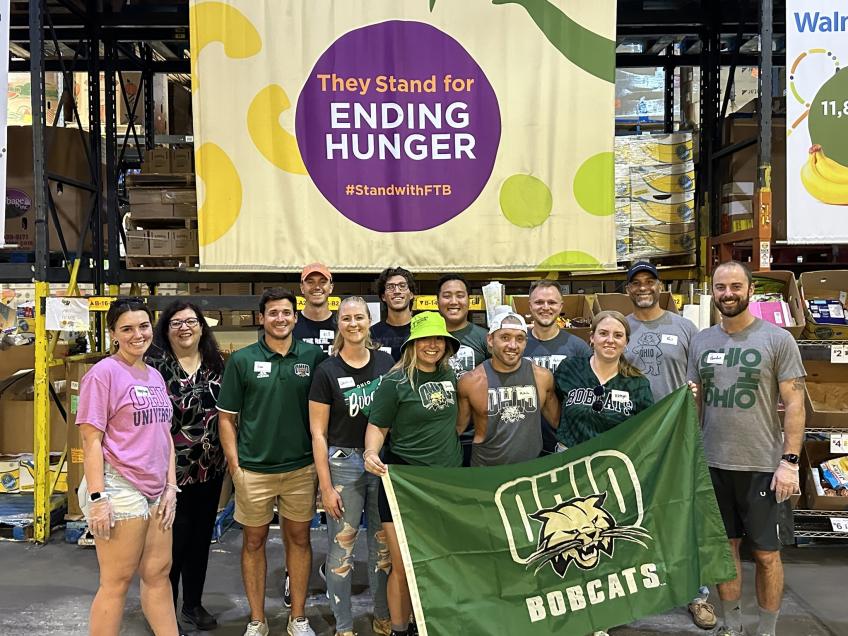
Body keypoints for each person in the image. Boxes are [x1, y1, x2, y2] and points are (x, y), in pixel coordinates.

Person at [687, 261, 806, 636]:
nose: (728, 294)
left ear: (750, 290)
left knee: (768, 555)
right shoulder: (702, 341)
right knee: (726, 552)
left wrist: (789, 462)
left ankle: (766, 631)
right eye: (721, 287)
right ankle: (732, 626)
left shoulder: (777, 339)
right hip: (714, 466)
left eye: (736, 286)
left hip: (762, 466)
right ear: (713, 292)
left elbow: (796, 405)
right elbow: (696, 404)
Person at [217, 288, 327, 636]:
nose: (280, 318)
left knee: (300, 540)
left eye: (286, 312)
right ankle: (257, 619)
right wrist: (235, 467)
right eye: (273, 313)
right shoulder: (243, 360)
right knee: (253, 542)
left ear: (296, 317)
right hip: (254, 470)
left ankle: (298, 618)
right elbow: (226, 418)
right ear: (261, 318)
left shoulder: (313, 357)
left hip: (300, 469)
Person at [76, 298, 179, 635]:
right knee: (117, 581)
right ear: (113, 334)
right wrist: (97, 498)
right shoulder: (103, 374)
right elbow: (91, 441)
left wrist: (170, 487)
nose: (138, 334)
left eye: (144, 326)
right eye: (127, 329)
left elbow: (164, 438)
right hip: (117, 484)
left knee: (157, 573)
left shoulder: (153, 375)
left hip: (155, 488)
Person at [622, 261, 714, 629]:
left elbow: (700, 382)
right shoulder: (620, 328)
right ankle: (629, 594)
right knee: (633, 515)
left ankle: (697, 593)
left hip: (677, 435)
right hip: (632, 438)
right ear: (628, 289)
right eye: (636, 283)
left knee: (683, 512)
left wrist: (696, 420)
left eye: (649, 281)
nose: (643, 288)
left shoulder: (685, 328)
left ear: (661, 287)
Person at [364, 312, 463, 636]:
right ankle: (397, 629)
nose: (432, 345)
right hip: (403, 484)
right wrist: (370, 452)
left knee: (439, 563)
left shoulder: (450, 376)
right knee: (403, 565)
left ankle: (432, 626)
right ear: (413, 344)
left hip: (445, 485)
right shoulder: (395, 382)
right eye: (426, 339)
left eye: (438, 340)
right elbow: (378, 425)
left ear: (446, 345)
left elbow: (456, 422)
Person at [309, 296, 395, 636]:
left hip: (382, 462)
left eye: (360, 317)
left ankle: (384, 614)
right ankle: (343, 625)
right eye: (347, 318)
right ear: (338, 324)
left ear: (369, 322)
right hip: (343, 462)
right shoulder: (327, 371)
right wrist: (326, 486)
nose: (354, 324)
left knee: (382, 545)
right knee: (341, 546)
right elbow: (318, 433)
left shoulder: (387, 363)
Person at [147, 300, 226, 633]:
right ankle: (165, 613)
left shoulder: (215, 364)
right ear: (167, 330)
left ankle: (193, 605)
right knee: (172, 547)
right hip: (169, 474)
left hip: (210, 469)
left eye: (190, 321)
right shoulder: (155, 366)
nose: (184, 328)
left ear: (201, 326)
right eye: (176, 323)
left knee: (199, 541)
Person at [458, 310, 561, 466]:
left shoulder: (542, 377)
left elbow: (558, 422)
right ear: (490, 340)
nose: (512, 345)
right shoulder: (471, 382)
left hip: (531, 471)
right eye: (505, 337)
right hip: (485, 472)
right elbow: (456, 429)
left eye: (519, 339)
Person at [554, 310, 655, 451]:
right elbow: (553, 407)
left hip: (612, 464)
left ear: (626, 342)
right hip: (568, 462)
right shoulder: (570, 368)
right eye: (603, 333)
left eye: (618, 335)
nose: (610, 340)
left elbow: (649, 428)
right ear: (592, 337)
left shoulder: (637, 384)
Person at [523, 279, 591, 454]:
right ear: (530, 306)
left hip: (565, 443)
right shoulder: (517, 345)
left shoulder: (578, 348)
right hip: (523, 442)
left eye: (552, 302)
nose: (545, 307)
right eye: (539, 302)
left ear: (561, 306)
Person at [437, 273, 490, 465]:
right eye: (447, 295)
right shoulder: (427, 339)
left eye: (460, 295)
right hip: (437, 435)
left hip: (475, 436)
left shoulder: (484, 338)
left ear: (469, 300)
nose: (453, 301)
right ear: (437, 301)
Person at [371, 267, 416, 361]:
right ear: (383, 296)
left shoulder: (422, 329)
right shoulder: (372, 333)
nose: (397, 291)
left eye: (402, 286)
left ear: (411, 294)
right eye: (390, 287)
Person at [293, 262, 336, 355]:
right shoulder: (291, 325)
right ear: (302, 288)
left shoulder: (342, 325)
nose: (317, 287)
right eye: (310, 282)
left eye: (323, 282)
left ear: (331, 287)